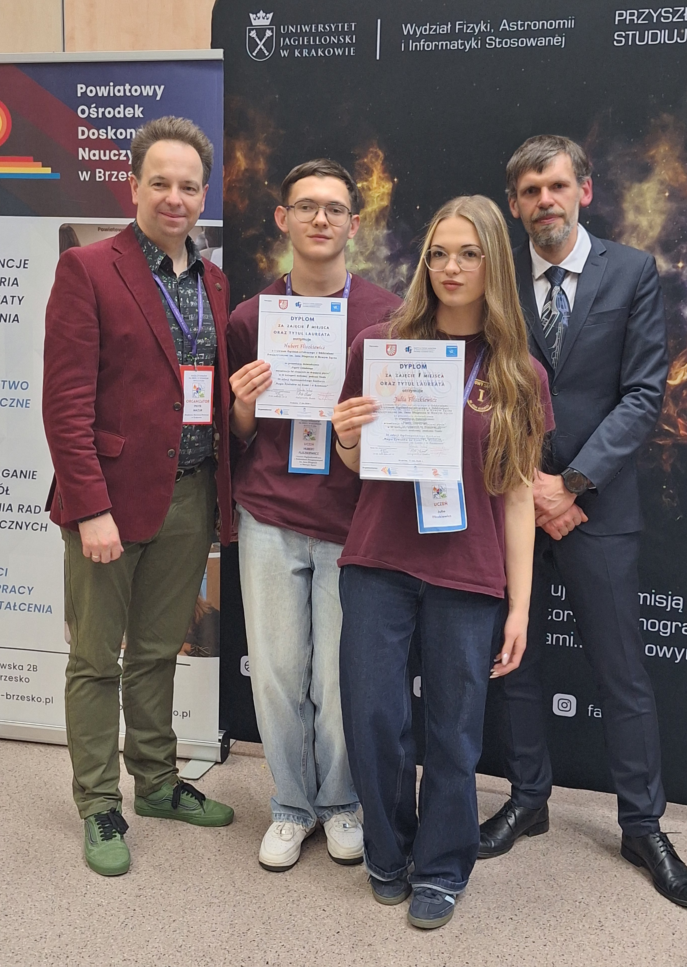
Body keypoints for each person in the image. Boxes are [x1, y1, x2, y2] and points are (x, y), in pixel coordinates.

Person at [479, 134, 687, 909]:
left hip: (595, 506)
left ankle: (643, 825)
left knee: (622, 673)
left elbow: (643, 393)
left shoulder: (632, 272)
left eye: (555, 185)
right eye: (529, 190)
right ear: (514, 204)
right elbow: (481, 383)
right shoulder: (497, 274)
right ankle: (528, 799)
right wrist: (528, 486)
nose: (543, 200)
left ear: (583, 190)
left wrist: (570, 485)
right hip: (510, 500)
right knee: (515, 658)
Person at [332, 195, 552, 929]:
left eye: (468, 254)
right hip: (379, 560)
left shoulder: (519, 373)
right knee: (374, 718)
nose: (450, 268)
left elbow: (518, 496)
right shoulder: (380, 347)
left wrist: (520, 606)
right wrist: (348, 435)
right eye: (438, 254)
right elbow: (355, 465)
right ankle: (387, 852)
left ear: (495, 264)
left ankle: (442, 867)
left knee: (454, 732)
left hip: (468, 571)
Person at [43, 116, 234, 877]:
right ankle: (98, 802)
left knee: (156, 653)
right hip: (109, 502)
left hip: (190, 494)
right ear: (133, 187)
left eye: (188, 186)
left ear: (204, 194)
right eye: (160, 182)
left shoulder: (214, 282)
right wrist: (90, 507)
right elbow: (65, 405)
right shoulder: (89, 269)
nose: (174, 197)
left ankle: (155, 783)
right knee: (96, 659)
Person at [227, 159, 401, 871]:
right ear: (283, 219)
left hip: (351, 522)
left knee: (336, 677)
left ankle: (340, 803)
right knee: (274, 671)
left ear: (354, 223)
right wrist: (242, 404)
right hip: (269, 514)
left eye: (333, 208)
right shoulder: (250, 318)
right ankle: (291, 807)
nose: (320, 219)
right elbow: (237, 437)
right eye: (306, 207)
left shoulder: (390, 316)